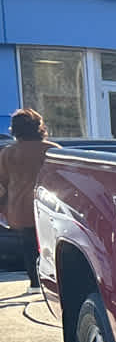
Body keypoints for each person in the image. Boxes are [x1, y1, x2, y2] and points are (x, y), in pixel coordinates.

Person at [0, 107, 55, 288]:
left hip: (19, 209)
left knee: (29, 246)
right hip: (48, 207)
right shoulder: (52, 151)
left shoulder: (8, 153)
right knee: (51, 246)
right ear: (38, 127)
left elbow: (2, 184)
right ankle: (52, 282)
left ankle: (34, 282)